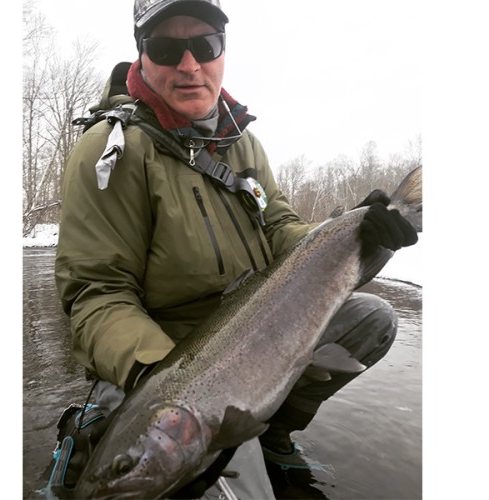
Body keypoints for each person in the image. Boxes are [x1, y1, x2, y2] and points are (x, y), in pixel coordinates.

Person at [48, 0, 418, 498]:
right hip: (163, 358)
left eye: (204, 45)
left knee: (372, 319)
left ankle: (272, 432)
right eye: (167, 47)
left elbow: (280, 227)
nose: (189, 64)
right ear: (142, 53)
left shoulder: (243, 143)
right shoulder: (111, 151)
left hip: (254, 325)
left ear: (222, 50)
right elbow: (97, 293)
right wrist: (168, 386)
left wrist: (353, 231)